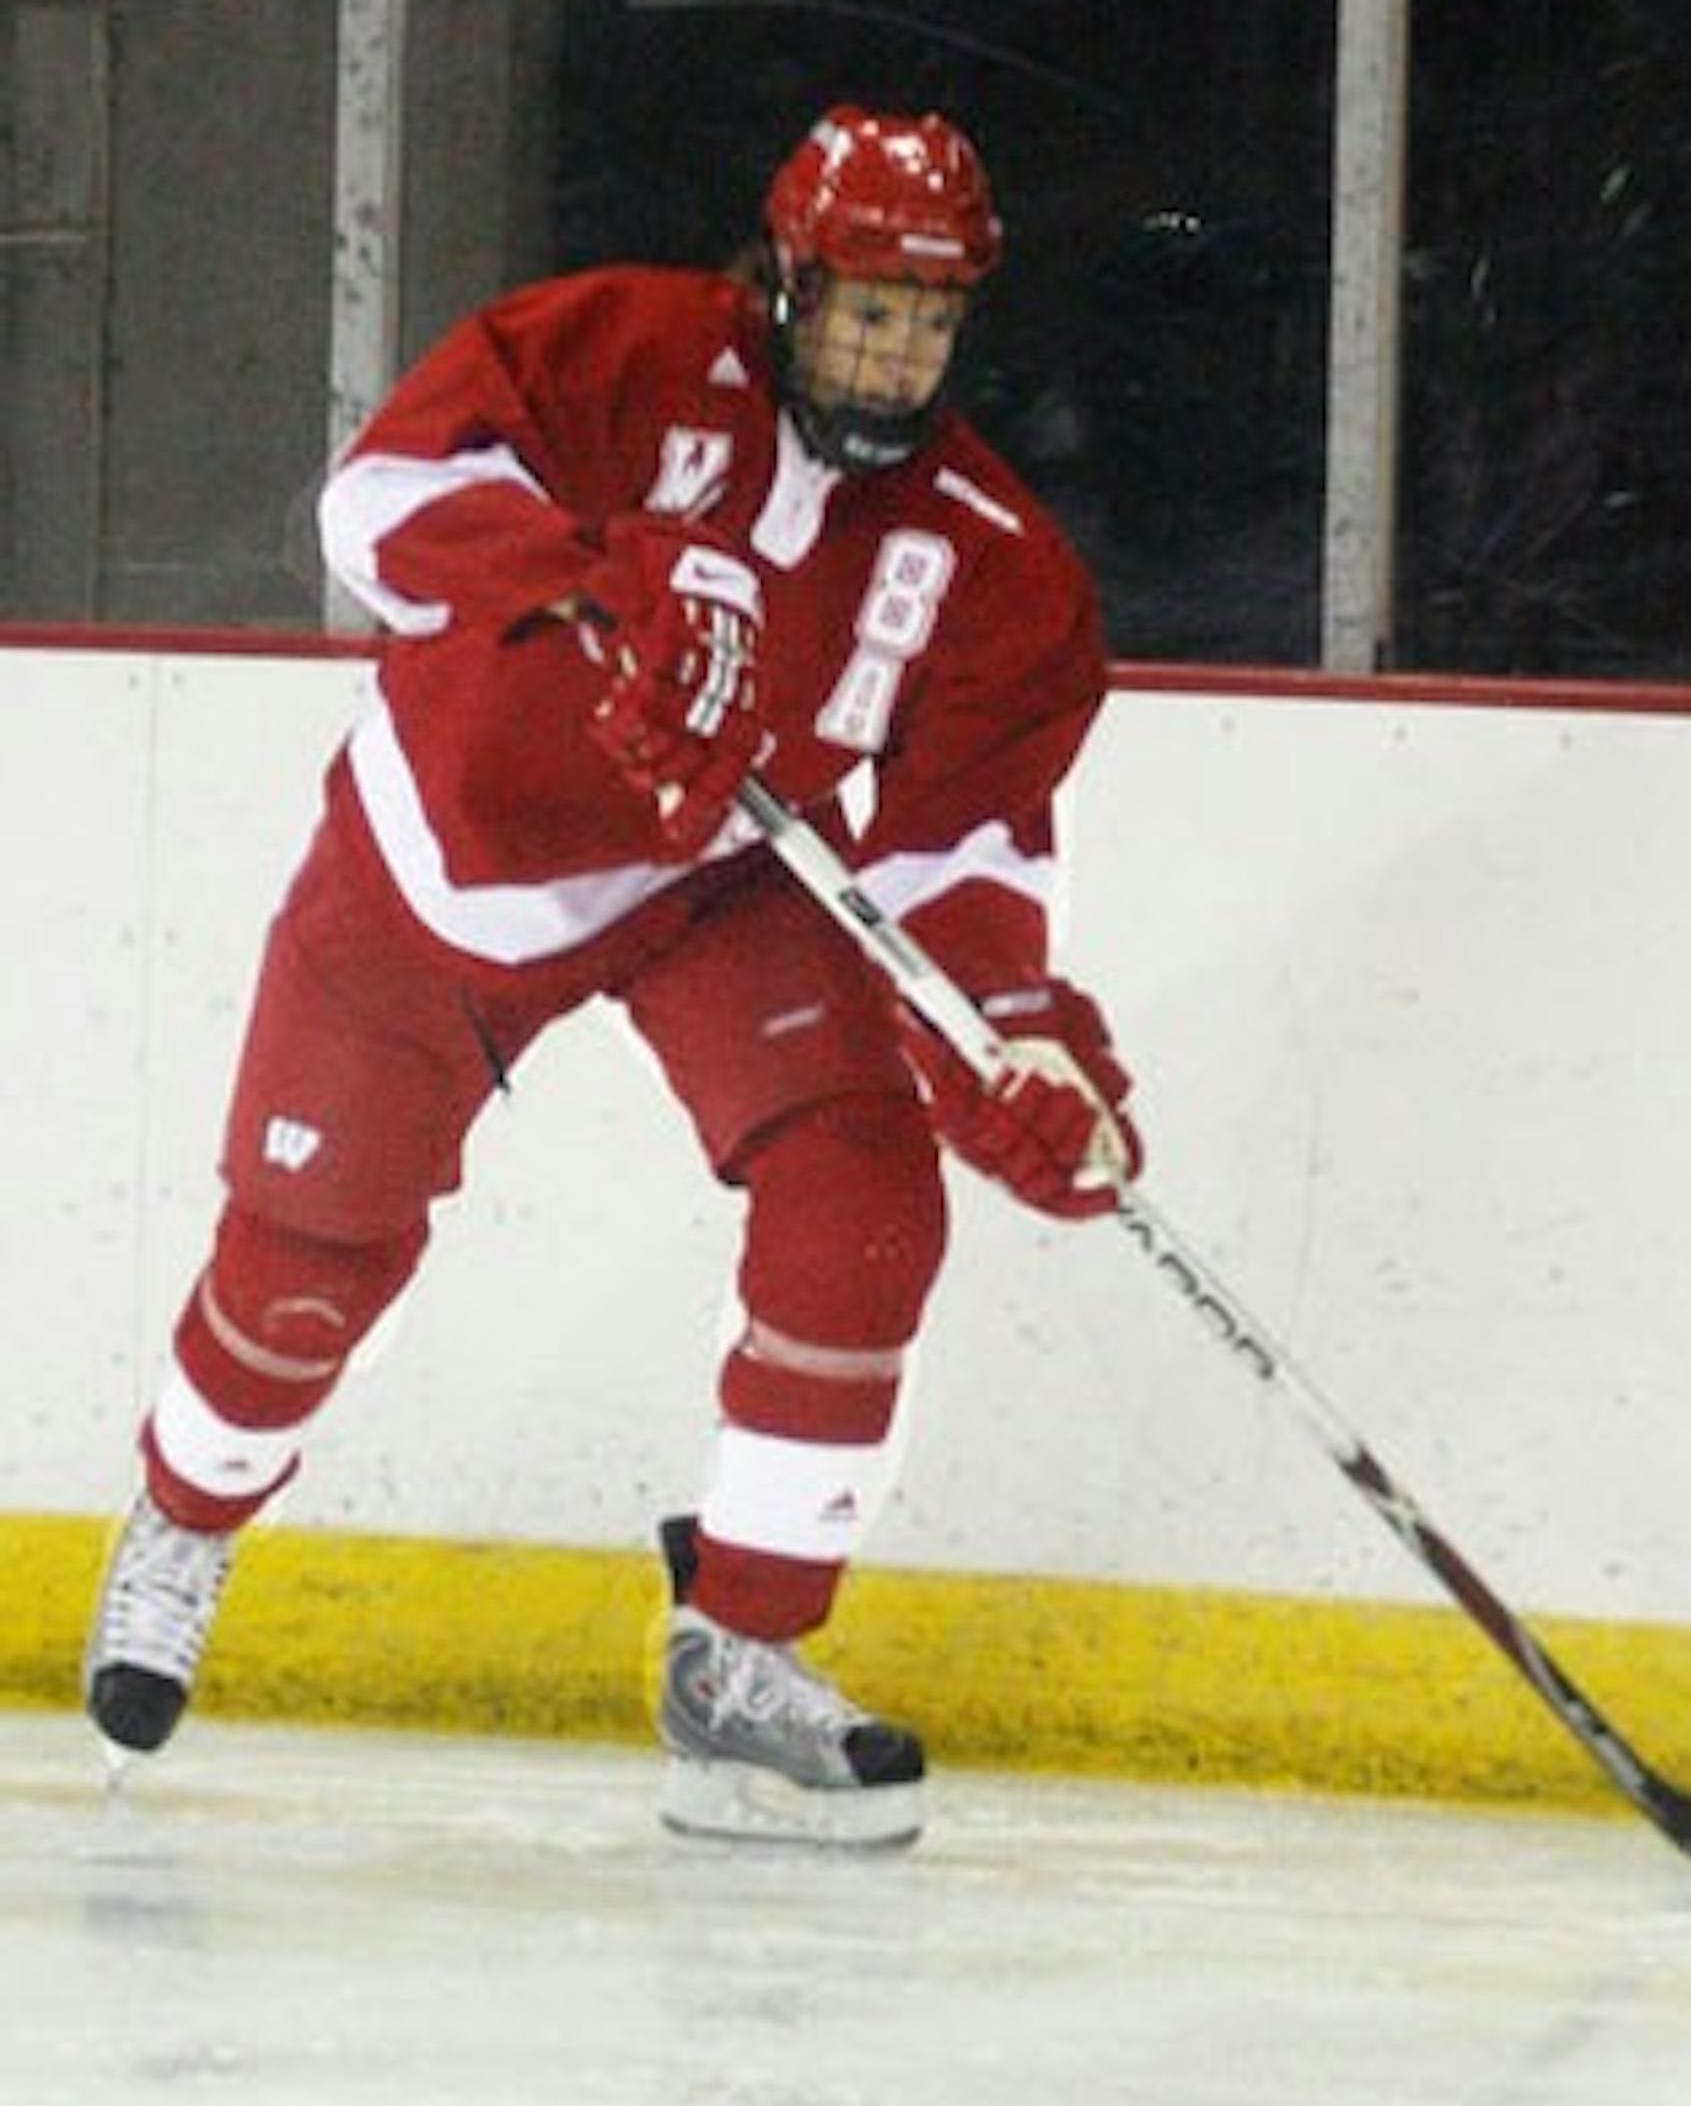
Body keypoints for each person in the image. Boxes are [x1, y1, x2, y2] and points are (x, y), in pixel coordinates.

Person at [81, 105, 1142, 1849]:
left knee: (865, 1190)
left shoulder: (990, 561)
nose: (894, 355)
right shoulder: (624, 350)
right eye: (868, 310)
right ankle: (187, 1519)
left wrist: (1012, 1038)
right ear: (789, 283)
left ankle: (741, 1660)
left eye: (931, 320)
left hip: (711, 879)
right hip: (439, 865)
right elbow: (379, 501)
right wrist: (599, 587)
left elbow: (960, 849)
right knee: (305, 1269)